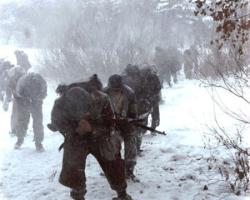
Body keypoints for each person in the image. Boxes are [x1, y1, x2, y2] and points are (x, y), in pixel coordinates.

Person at [49, 75, 133, 200]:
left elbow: (110, 124)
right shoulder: (60, 103)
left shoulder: (102, 98)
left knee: (113, 162)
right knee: (73, 168)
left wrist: (92, 129)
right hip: (76, 138)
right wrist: (74, 129)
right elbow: (58, 123)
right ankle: (78, 195)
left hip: (100, 138)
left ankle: (122, 194)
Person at [104, 74, 138, 181]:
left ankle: (129, 170)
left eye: (117, 88)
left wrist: (129, 118)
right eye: (113, 88)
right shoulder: (103, 94)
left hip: (127, 123)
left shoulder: (129, 93)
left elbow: (134, 110)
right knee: (114, 149)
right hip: (111, 125)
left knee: (131, 147)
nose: (115, 90)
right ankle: (117, 170)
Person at [14, 72, 47, 151]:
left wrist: (38, 98)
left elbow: (44, 94)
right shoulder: (22, 82)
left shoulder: (42, 82)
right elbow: (18, 94)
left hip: (36, 102)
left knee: (38, 122)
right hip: (22, 101)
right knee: (22, 121)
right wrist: (26, 100)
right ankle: (19, 139)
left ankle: (38, 143)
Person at [3, 66, 26, 135]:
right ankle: (22, 130)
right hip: (24, 98)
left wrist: (8, 99)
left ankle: (14, 130)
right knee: (23, 114)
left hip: (18, 98)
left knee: (15, 114)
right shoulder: (24, 76)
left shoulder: (12, 78)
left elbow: (9, 89)